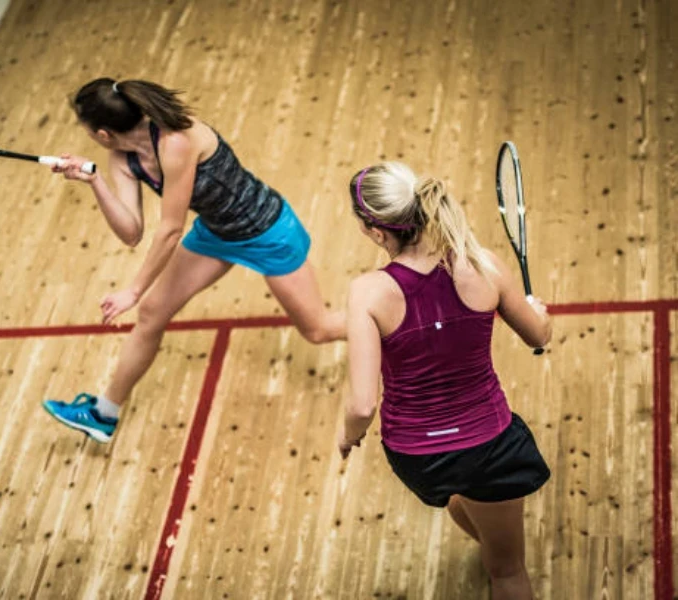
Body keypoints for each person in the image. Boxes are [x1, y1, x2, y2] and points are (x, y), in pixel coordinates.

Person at [42, 78, 345, 443]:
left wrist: (133, 290)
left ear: (103, 133)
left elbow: (170, 230)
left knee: (318, 330)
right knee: (153, 313)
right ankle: (103, 414)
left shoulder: (177, 142)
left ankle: (401, 321)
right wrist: (95, 183)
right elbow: (131, 232)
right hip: (218, 233)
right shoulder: (122, 158)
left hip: (267, 233)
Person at [337, 162, 552, 600]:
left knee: (456, 501)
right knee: (508, 571)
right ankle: (499, 551)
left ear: (378, 233)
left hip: (420, 458)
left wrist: (348, 437)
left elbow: (362, 406)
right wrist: (539, 311)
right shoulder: (484, 265)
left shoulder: (367, 293)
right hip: (490, 444)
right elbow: (538, 335)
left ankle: (491, 537)